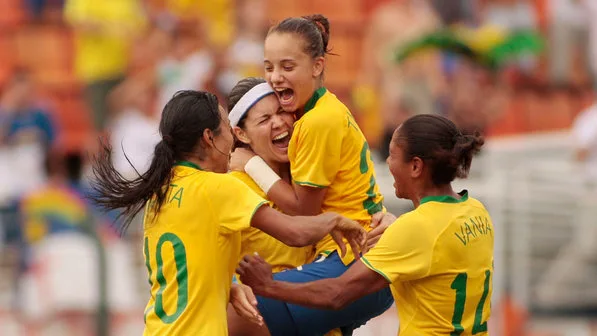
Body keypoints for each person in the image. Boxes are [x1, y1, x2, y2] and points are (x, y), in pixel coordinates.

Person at [89, 90, 367, 336]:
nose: (233, 143)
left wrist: (230, 283)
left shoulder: (158, 193)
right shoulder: (220, 189)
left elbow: (190, 260)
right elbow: (294, 232)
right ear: (210, 138)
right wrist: (335, 219)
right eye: (226, 130)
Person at [238, 114, 494, 336]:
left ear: (415, 166)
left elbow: (337, 294)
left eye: (392, 155)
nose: (388, 164)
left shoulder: (416, 228)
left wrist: (268, 286)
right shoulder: (476, 211)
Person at [230, 15, 394, 336]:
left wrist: (252, 164)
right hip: (355, 264)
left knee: (240, 306)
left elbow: (302, 218)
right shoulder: (232, 185)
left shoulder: (314, 123)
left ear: (317, 66)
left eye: (287, 67)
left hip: (348, 260)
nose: (276, 77)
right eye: (269, 68)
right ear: (241, 134)